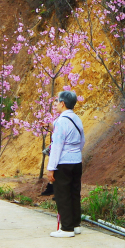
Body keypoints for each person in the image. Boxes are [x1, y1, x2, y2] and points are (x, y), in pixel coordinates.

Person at [46, 90, 85, 238]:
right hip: (76, 161)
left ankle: (66, 228)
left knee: (63, 194)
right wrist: (75, 152)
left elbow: (57, 146)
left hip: (63, 163)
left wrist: (51, 168)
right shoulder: (77, 119)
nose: (55, 104)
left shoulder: (62, 121)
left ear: (62, 103)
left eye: (57, 102)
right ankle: (75, 225)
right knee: (74, 193)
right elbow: (82, 140)